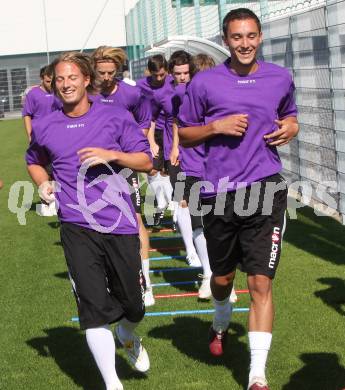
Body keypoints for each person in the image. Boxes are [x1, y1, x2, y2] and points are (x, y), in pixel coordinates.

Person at [178, 8, 299, 390]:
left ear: (259, 37)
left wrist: (292, 126)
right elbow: (184, 134)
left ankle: (256, 376)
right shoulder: (205, 84)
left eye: (250, 36)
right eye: (236, 38)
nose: (244, 44)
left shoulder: (280, 78)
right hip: (219, 194)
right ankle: (220, 319)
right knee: (223, 278)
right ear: (225, 40)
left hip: (266, 190)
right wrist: (216, 126)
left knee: (261, 283)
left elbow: (289, 114)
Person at [26, 52, 152, 390]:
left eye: (72, 78)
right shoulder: (45, 124)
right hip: (76, 226)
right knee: (94, 307)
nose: (66, 84)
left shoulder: (115, 117)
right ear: (54, 83)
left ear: (86, 80)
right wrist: (43, 183)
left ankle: (127, 334)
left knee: (133, 305)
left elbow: (145, 160)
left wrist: (113, 155)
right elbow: (34, 160)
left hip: (119, 224)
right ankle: (112, 384)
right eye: (60, 79)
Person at [90, 46, 155, 307]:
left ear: (118, 70)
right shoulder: (88, 95)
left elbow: (144, 121)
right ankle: (104, 278)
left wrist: (139, 144)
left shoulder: (130, 94)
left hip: (124, 167)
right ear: (93, 69)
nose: (106, 77)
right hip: (93, 169)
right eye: (101, 72)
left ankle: (145, 284)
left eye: (111, 72)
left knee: (136, 221)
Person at [153, 50, 204, 271]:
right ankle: (191, 252)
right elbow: (165, 121)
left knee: (203, 204)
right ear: (171, 73)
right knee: (182, 201)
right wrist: (170, 148)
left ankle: (205, 247)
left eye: (185, 72)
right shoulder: (166, 95)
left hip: (200, 154)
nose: (182, 76)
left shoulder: (198, 90)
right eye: (178, 73)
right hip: (176, 155)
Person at [136, 55, 173, 226]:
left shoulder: (173, 82)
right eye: (155, 75)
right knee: (151, 168)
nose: (159, 79)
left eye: (162, 75)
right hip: (149, 129)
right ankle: (162, 201)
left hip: (170, 130)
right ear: (149, 72)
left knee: (166, 170)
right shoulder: (141, 86)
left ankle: (170, 204)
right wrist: (150, 140)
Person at [22, 65, 61, 141]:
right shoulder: (32, 94)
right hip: (39, 134)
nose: (51, 84)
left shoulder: (59, 92)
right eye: (48, 81)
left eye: (53, 81)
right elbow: (27, 115)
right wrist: (30, 136)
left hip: (57, 132)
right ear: (41, 78)